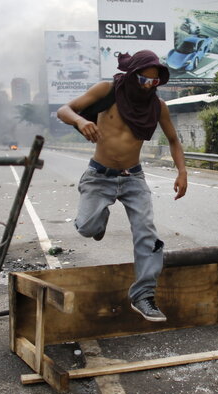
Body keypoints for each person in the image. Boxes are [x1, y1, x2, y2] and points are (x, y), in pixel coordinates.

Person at [57, 50, 188, 323]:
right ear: (132, 74)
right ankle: (98, 219)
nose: (147, 86)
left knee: (147, 234)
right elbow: (64, 110)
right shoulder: (108, 90)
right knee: (86, 228)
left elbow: (174, 140)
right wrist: (81, 120)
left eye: (154, 82)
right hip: (99, 175)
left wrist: (182, 171)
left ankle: (143, 295)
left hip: (133, 179)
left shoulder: (157, 106)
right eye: (143, 79)